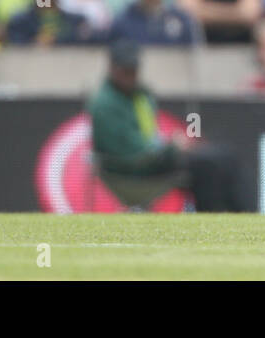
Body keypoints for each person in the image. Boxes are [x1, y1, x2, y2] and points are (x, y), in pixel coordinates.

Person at [88, 40, 243, 211]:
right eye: (126, 70)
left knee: (225, 157)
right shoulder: (105, 104)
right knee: (206, 164)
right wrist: (171, 149)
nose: (131, 75)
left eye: (133, 70)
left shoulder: (140, 95)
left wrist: (169, 145)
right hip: (134, 170)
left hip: (154, 160)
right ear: (113, 69)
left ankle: (243, 217)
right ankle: (213, 221)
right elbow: (133, 152)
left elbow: (149, 138)